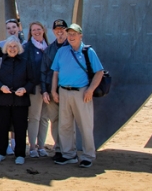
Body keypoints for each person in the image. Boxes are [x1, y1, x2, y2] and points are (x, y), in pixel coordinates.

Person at [51, 23, 104, 168]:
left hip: (82, 92)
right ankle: (69, 155)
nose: (71, 37)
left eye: (74, 34)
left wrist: (90, 90)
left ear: (81, 35)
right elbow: (55, 72)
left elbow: (99, 72)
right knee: (65, 125)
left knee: (85, 125)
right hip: (64, 92)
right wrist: (53, 91)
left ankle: (88, 156)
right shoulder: (62, 51)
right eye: (69, 34)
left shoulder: (88, 51)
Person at [0, 37, 34, 164]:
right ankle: (1, 152)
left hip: (20, 102)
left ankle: (20, 154)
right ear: (6, 48)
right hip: (3, 100)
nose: (12, 49)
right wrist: (1, 87)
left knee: (20, 128)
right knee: (1, 127)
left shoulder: (25, 62)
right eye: (10, 46)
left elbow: (32, 80)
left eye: (15, 46)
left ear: (19, 48)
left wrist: (25, 89)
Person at [40, 19, 70, 162]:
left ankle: (69, 150)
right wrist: (45, 91)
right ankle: (58, 149)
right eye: (57, 29)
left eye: (62, 29)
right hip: (52, 92)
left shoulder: (73, 47)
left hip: (68, 91)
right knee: (56, 120)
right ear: (53, 31)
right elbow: (44, 72)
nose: (60, 31)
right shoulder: (49, 50)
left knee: (69, 121)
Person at [23, 21, 50, 158]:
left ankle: (41, 146)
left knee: (45, 118)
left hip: (48, 88)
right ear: (30, 32)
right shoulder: (27, 47)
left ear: (43, 30)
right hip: (36, 88)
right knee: (34, 117)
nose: (36, 32)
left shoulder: (48, 47)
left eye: (39, 29)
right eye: (34, 30)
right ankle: (32, 147)